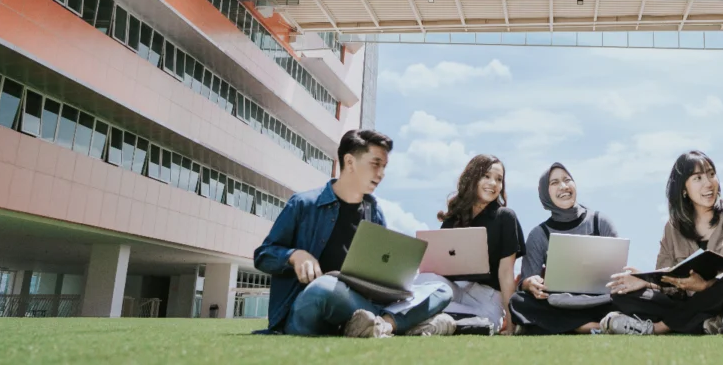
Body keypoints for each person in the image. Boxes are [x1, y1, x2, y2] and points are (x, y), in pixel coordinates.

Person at [253, 130, 454, 337]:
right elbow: (263, 255)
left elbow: (381, 267)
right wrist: (294, 256)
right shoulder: (303, 204)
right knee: (324, 286)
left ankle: (382, 324)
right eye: (375, 164)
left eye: (384, 167)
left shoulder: (373, 212)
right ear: (349, 162)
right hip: (311, 305)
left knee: (441, 289)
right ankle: (403, 323)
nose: (381, 174)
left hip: (357, 306)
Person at [603, 151, 723, 335]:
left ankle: (657, 328)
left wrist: (705, 286)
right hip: (685, 301)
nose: (709, 183)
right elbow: (666, 280)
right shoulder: (672, 227)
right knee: (621, 297)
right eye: (698, 178)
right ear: (684, 189)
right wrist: (645, 281)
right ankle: (708, 324)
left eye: (711, 174)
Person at [509, 162, 620, 335]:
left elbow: (618, 274)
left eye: (567, 180)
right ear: (545, 193)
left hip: (602, 302)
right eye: (554, 183)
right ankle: (596, 326)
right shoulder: (538, 235)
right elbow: (526, 281)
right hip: (559, 303)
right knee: (519, 302)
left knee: (637, 296)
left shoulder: (601, 222)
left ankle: (574, 326)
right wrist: (529, 284)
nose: (563, 186)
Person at [430, 154, 525, 335]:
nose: (493, 183)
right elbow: (437, 266)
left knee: (485, 323)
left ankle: (446, 322)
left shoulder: (505, 217)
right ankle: (442, 320)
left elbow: (506, 274)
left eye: (499, 179)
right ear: (472, 178)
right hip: (454, 291)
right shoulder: (454, 218)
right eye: (486, 176)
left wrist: (511, 324)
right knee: (423, 279)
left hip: (486, 298)